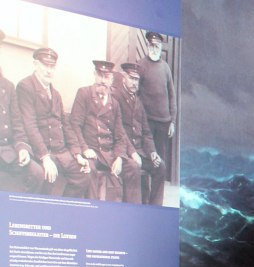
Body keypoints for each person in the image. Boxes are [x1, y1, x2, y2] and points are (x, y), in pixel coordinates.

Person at [14, 47, 90, 197]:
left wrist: (77, 154)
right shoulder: (25, 87)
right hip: (42, 151)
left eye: (52, 66)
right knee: (49, 178)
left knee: (84, 175)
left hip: (61, 152)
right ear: (36, 64)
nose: (49, 71)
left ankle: (64, 208)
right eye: (45, 65)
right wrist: (45, 157)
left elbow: (66, 126)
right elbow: (30, 125)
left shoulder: (56, 94)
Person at [68, 60, 137, 202]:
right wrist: (85, 148)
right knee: (90, 170)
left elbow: (120, 136)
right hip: (92, 151)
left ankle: (131, 209)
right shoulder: (84, 94)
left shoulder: (115, 104)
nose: (102, 81)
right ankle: (92, 212)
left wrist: (119, 157)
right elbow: (75, 125)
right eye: (100, 76)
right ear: (94, 75)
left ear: (111, 80)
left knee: (133, 167)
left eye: (106, 77)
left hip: (109, 153)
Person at [114, 62, 164, 205]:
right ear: (124, 78)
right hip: (123, 151)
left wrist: (152, 152)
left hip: (140, 151)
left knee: (160, 167)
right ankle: (133, 208)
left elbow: (146, 132)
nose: (135, 83)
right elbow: (119, 131)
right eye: (131, 78)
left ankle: (154, 207)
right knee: (134, 167)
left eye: (137, 80)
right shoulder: (116, 97)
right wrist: (132, 152)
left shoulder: (138, 101)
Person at [136, 31, 175, 205]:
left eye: (157, 46)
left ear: (160, 47)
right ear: (148, 46)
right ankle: (144, 199)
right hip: (146, 123)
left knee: (160, 163)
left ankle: (156, 202)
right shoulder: (141, 66)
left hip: (164, 122)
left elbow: (172, 95)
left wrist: (172, 120)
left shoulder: (165, 67)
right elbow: (135, 94)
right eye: (151, 45)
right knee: (145, 158)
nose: (154, 48)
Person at [0, 30, 34, 192]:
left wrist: (22, 148)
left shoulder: (7, 86)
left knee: (36, 174)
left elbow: (18, 125)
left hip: (7, 150)